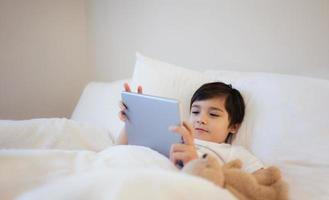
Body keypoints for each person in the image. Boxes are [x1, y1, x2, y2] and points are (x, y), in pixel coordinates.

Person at [117, 82, 264, 174]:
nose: (201, 119)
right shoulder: (172, 136)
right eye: (195, 112)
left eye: (213, 114)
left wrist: (195, 164)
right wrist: (133, 120)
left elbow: (261, 184)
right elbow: (119, 149)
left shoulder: (233, 153)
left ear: (233, 126)